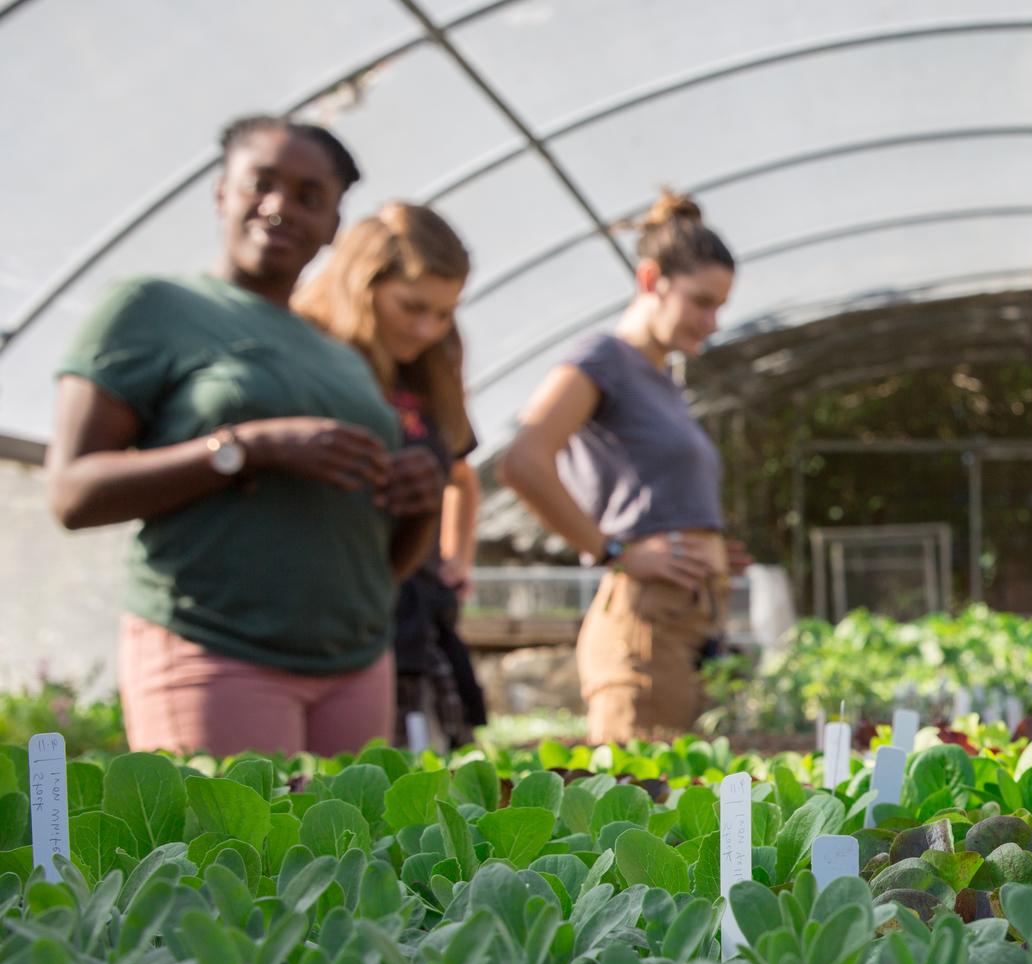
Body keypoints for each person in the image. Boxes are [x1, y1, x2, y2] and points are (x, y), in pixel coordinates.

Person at [44, 116, 444, 758]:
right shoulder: (152, 308)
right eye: (262, 183)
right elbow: (71, 493)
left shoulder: (341, 357)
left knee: (355, 854)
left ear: (335, 226)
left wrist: (423, 505)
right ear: (221, 192)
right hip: (217, 649)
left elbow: (377, 558)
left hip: (357, 658)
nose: (280, 206)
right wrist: (248, 448)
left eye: (310, 197)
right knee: (233, 853)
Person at [497, 189, 752, 743]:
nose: (712, 322)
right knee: (642, 805)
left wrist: (708, 550)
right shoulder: (603, 359)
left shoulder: (661, 379)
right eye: (701, 302)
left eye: (720, 308)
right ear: (650, 280)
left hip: (691, 622)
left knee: (690, 806)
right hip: (646, 627)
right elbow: (523, 461)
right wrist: (611, 549)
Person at [295, 202, 489, 751]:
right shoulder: (311, 354)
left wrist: (459, 557)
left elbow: (460, 475)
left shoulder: (431, 366)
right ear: (363, 283)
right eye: (412, 307)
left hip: (409, 618)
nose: (428, 328)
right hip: (322, 610)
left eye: (445, 313)